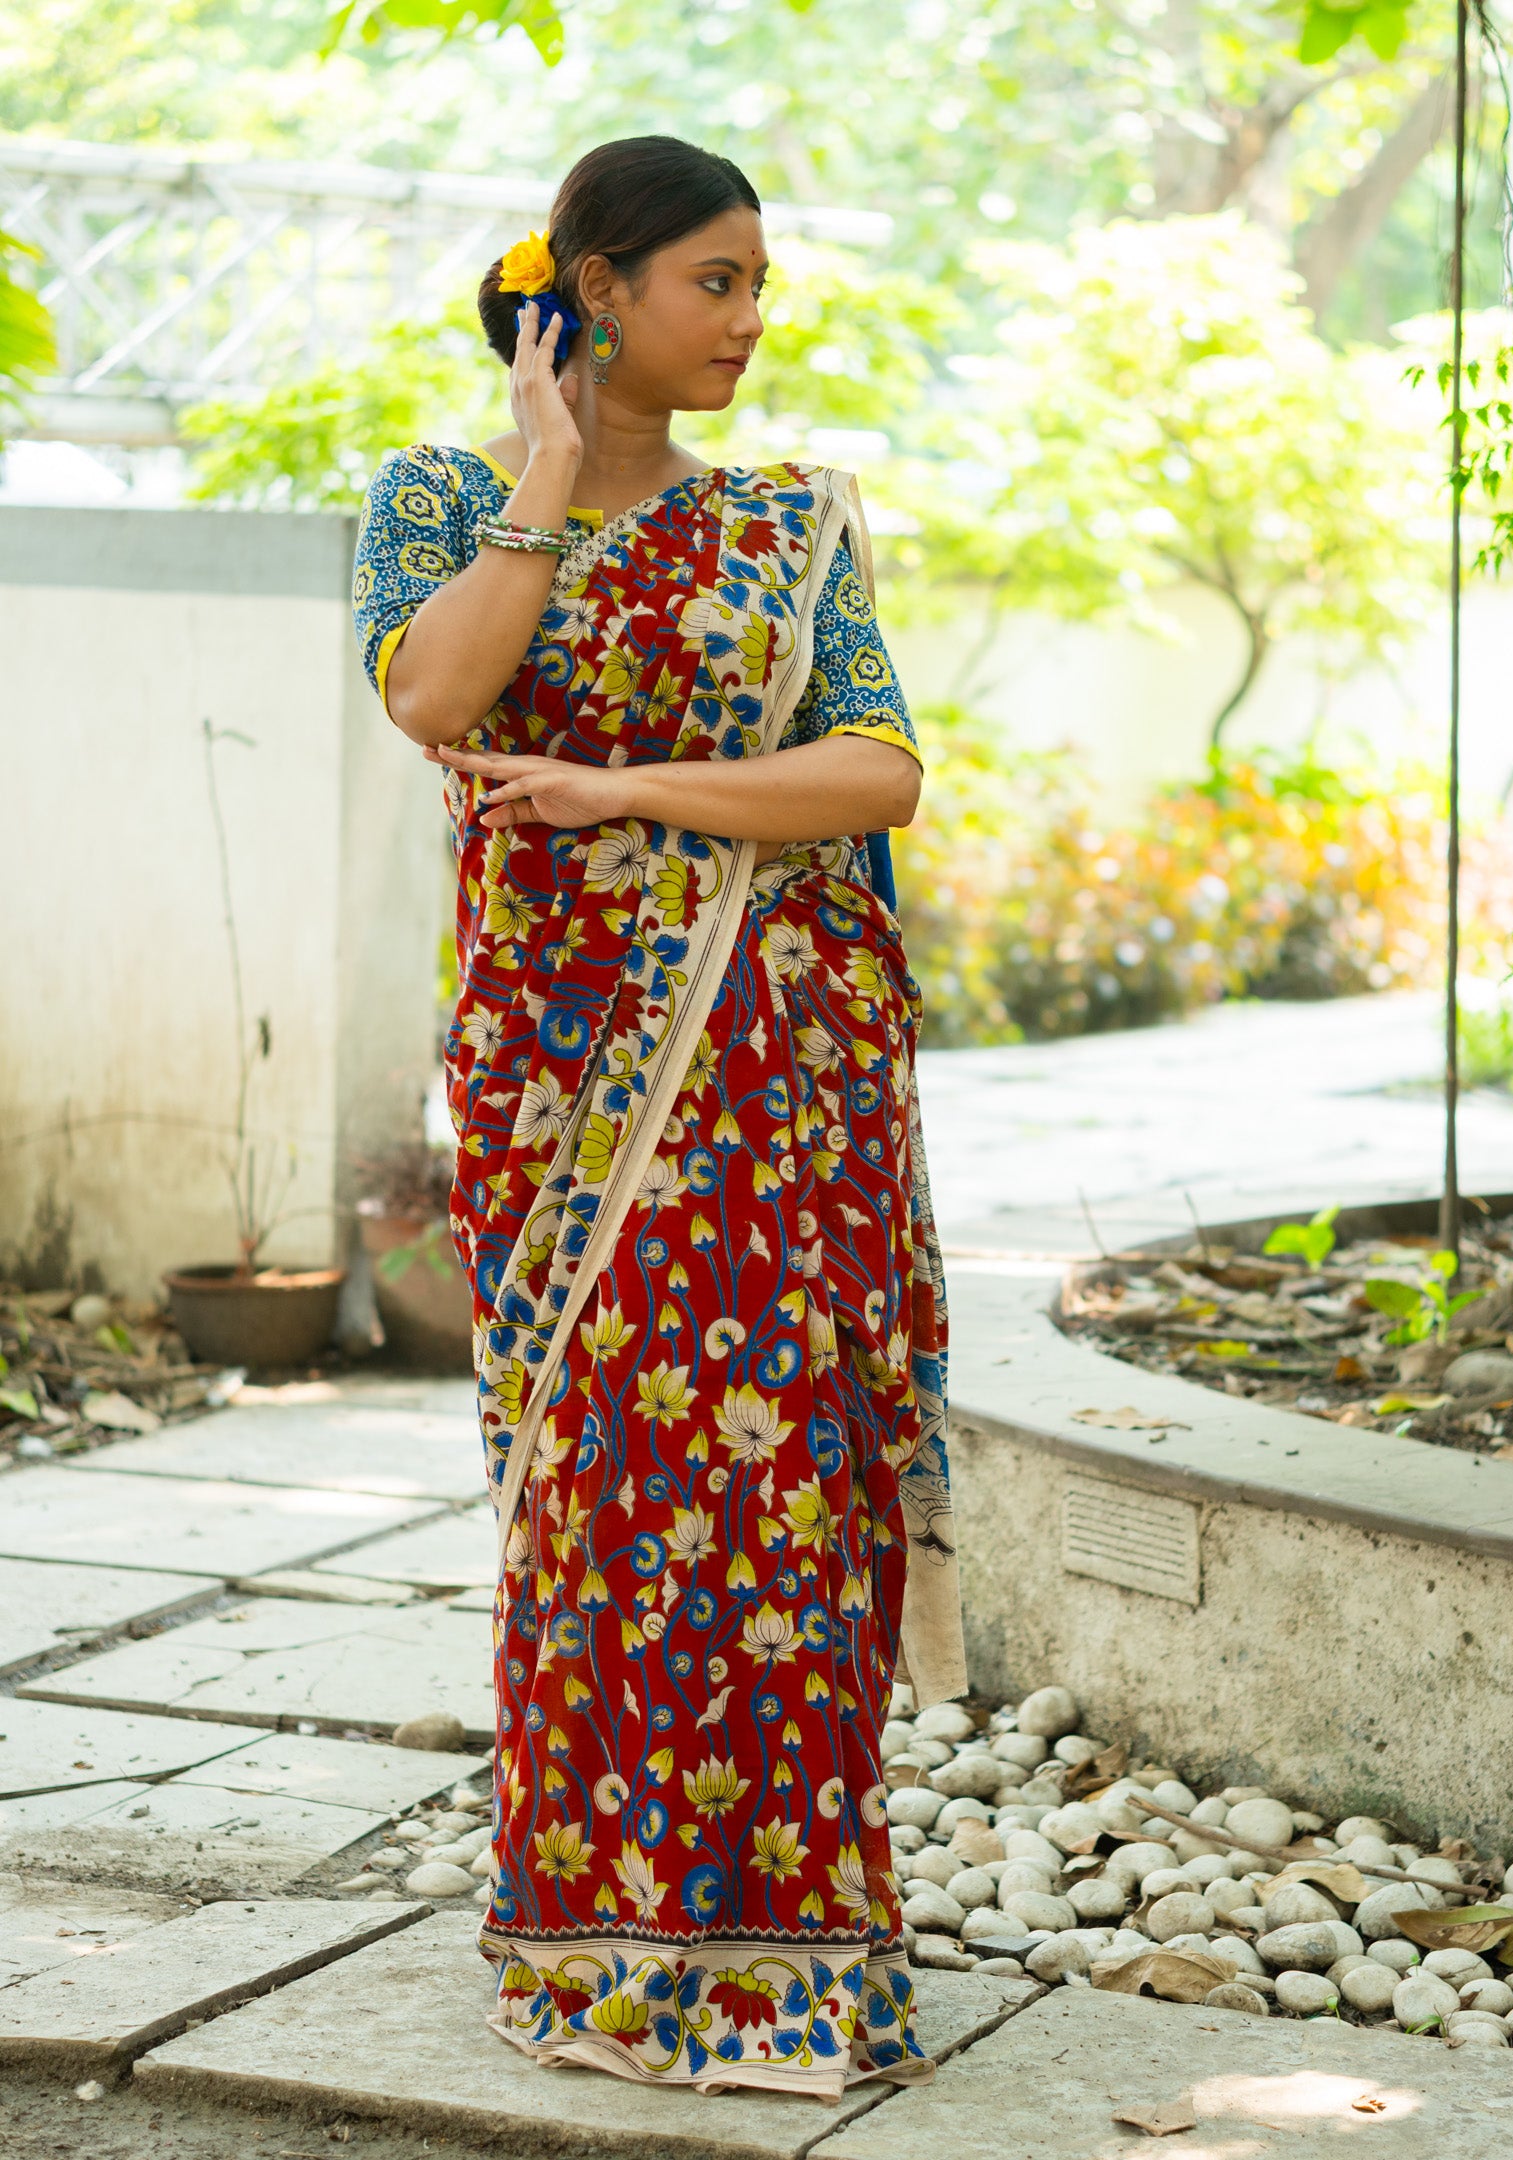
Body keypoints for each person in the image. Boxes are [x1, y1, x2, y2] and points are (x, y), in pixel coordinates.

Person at [351, 133, 964, 2098]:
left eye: (758, 282)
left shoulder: (791, 523)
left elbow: (875, 770)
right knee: (597, 1512)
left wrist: (638, 796)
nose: (750, 320)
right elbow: (439, 699)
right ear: (596, 292)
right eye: (714, 280)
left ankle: (794, 1965)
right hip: (560, 1089)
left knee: (776, 1502)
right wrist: (541, 473)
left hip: (772, 1096)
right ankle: (591, 1963)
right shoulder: (443, 499)